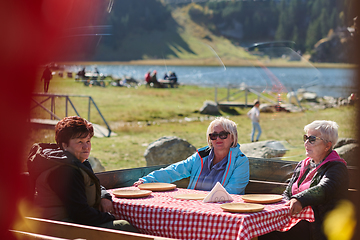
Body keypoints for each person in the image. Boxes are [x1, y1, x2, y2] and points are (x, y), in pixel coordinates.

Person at [27, 116, 138, 232]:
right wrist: (111, 217)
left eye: (88, 141)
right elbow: (80, 213)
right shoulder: (65, 171)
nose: (86, 147)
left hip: (73, 223)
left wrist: (104, 197)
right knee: (123, 226)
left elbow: (94, 183)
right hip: (60, 227)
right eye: (80, 142)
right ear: (64, 145)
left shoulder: (77, 161)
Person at [259, 120, 349, 240]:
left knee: (266, 233)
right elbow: (288, 192)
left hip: (318, 227)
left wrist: (299, 199)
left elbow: (325, 188)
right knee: (262, 229)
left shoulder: (336, 167)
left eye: (312, 139)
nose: (306, 143)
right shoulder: (304, 164)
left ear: (328, 145)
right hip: (297, 221)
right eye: (305, 138)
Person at [134, 117, 249, 195]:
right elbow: (175, 170)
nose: (218, 138)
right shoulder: (201, 157)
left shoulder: (240, 161)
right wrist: (148, 180)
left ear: (233, 137)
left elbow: (232, 192)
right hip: (194, 205)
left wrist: (204, 203)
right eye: (214, 135)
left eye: (223, 135)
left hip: (221, 211)